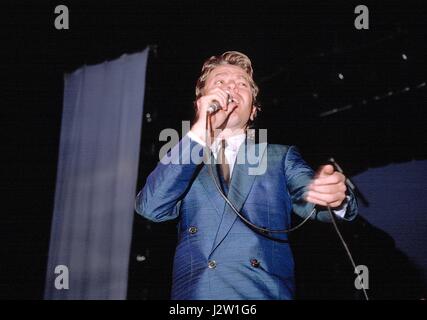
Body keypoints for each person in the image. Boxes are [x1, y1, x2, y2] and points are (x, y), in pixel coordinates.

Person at [135, 51, 358, 300]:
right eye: (220, 82)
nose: (231, 87)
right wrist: (200, 131)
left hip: (262, 292)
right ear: (201, 100)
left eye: (241, 83)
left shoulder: (279, 157)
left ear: (253, 110)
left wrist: (334, 196)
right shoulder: (184, 157)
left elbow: (312, 198)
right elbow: (151, 207)